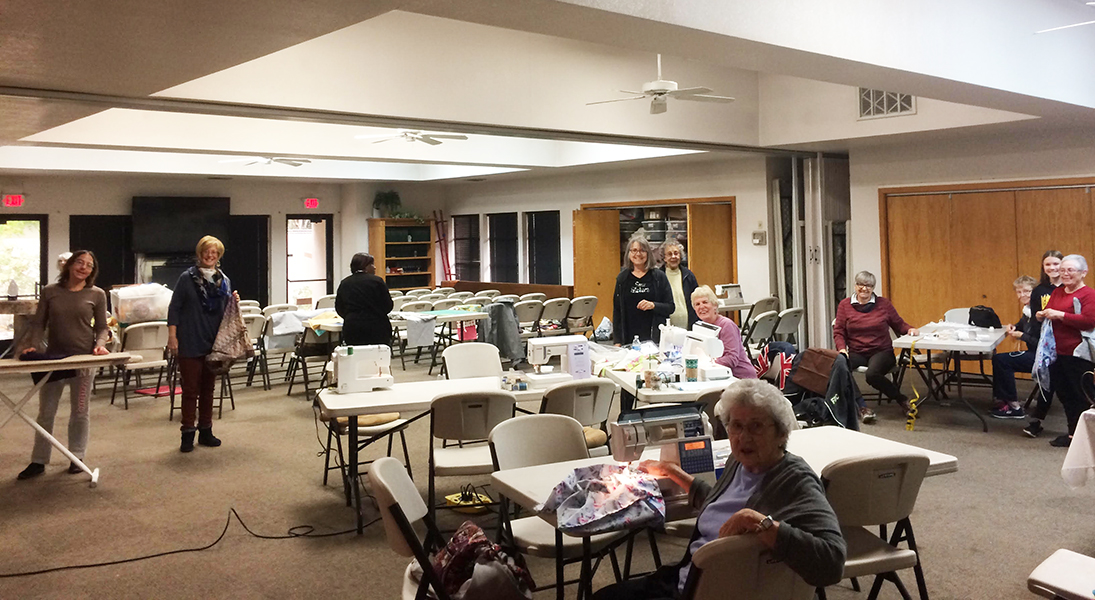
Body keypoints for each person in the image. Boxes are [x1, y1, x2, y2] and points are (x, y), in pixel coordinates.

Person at [592, 379, 846, 599]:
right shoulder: (739, 461)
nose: (743, 437)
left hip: (719, 591)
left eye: (756, 426)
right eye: (736, 426)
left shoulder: (795, 481)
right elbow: (719, 505)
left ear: (781, 433)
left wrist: (757, 522)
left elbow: (832, 562)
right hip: (686, 578)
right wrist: (674, 472)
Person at [16, 250, 110, 480]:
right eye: (79, 262)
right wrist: (34, 347)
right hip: (54, 360)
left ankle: (77, 458)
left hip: (83, 361)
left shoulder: (97, 294)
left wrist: (100, 345)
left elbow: (102, 327)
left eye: (89, 265)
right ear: (69, 265)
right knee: (46, 412)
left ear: (92, 271)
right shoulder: (50, 292)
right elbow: (39, 324)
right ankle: (39, 460)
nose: (83, 267)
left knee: (80, 412)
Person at [167, 236, 237, 453]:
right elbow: (174, 308)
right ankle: (187, 433)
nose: (210, 255)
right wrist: (172, 336)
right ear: (200, 254)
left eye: (214, 252)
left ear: (219, 256)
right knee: (190, 390)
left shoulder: (224, 281)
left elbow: (226, 311)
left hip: (214, 342)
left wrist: (234, 300)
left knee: (208, 389)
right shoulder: (186, 278)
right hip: (189, 340)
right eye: (207, 251)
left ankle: (206, 430)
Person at [833, 271, 919, 421]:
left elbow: (898, 324)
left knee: (872, 375)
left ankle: (902, 399)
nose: (864, 288)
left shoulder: (883, 304)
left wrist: (910, 329)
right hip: (857, 352)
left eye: (868, 285)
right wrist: (841, 349)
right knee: (839, 366)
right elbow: (839, 331)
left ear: (873, 288)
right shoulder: (845, 305)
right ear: (855, 286)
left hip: (881, 351)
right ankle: (862, 407)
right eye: (860, 284)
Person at [1035, 254, 1095, 448]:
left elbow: (1089, 321)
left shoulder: (1089, 295)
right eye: (1063, 270)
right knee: (1065, 395)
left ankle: (1087, 439)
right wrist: (1041, 315)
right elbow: (1051, 312)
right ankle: (1073, 435)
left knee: (1082, 396)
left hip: (1078, 353)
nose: (1065, 274)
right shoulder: (1058, 292)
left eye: (1070, 270)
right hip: (1056, 352)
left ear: (1083, 272)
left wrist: (1060, 315)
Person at [1024, 250, 1063, 437]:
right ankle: (1036, 421)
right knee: (1046, 382)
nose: (1052, 268)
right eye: (1048, 264)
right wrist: (1039, 317)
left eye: (1056, 264)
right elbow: (1033, 321)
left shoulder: (1069, 288)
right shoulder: (1039, 291)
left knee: (1070, 385)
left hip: (1067, 343)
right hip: (1046, 343)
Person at [989, 276, 1038, 419]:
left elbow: (1041, 342)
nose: (1022, 295)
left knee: (1002, 361)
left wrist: (1022, 336)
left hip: (1041, 356)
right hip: (1034, 352)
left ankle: (1013, 406)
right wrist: (1014, 327)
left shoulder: (1039, 313)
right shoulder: (1027, 310)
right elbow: (1021, 324)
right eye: (1019, 292)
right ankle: (1003, 400)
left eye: (1027, 291)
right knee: (999, 359)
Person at [613, 234, 674, 346]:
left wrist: (653, 305)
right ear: (629, 253)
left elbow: (670, 307)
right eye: (634, 250)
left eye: (642, 250)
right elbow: (617, 312)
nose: (638, 254)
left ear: (648, 253)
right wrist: (617, 341)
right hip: (629, 338)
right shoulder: (622, 278)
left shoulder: (659, 277)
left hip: (655, 338)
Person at [691, 285, 757, 380]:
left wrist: (709, 363)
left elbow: (731, 359)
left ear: (715, 305)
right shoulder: (701, 326)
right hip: (721, 376)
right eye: (697, 304)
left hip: (742, 379)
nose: (701, 306)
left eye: (705, 302)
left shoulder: (727, 325)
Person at [334, 253, 394, 346]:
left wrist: (351, 316)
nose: (374, 267)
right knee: (378, 354)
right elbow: (388, 305)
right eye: (372, 264)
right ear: (365, 266)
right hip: (377, 326)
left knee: (356, 354)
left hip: (352, 327)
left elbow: (339, 307)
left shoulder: (345, 283)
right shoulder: (377, 281)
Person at [660, 240, 698, 329]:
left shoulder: (688, 275)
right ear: (664, 258)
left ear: (680, 256)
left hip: (688, 325)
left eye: (676, 253)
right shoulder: (658, 276)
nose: (673, 256)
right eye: (669, 254)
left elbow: (696, 299)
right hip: (666, 327)